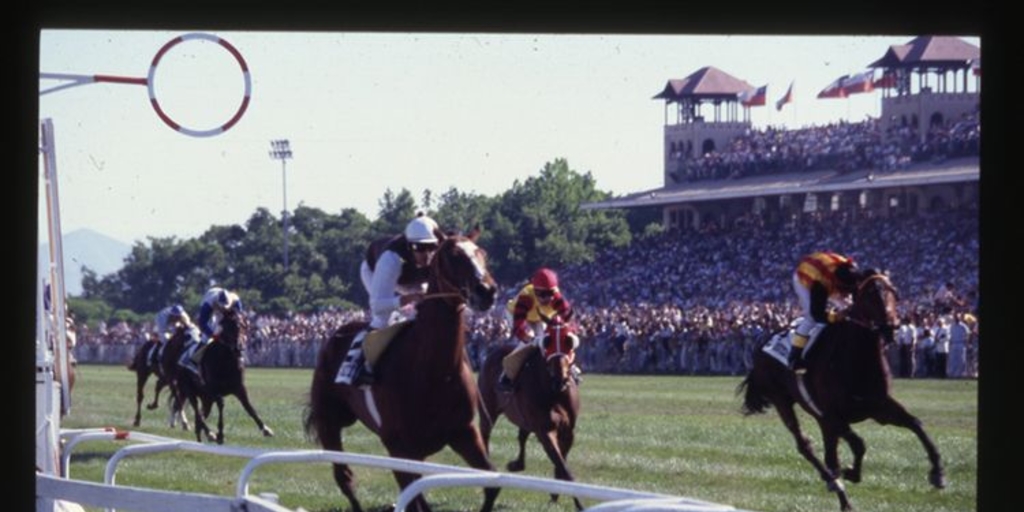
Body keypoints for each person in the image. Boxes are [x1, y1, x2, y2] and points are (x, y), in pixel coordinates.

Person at [335, 213, 442, 386]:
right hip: (375, 272)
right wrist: (405, 299)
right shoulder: (390, 259)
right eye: (419, 248)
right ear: (409, 246)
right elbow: (377, 306)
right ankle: (356, 364)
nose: (427, 255)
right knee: (383, 318)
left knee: (422, 315)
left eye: (431, 247)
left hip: (410, 281)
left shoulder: (440, 254)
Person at [497, 267, 577, 391]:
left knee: (550, 340)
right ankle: (507, 375)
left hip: (538, 317)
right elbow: (519, 327)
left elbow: (568, 317)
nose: (549, 298)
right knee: (528, 343)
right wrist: (530, 338)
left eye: (551, 293)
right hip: (517, 315)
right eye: (544, 295)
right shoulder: (526, 297)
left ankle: (570, 368)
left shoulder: (555, 296)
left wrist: (571, 333)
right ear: (536, 292)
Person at [789, 251, 865, 373]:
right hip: (804, 277)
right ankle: (794, 357)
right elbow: (817, 314)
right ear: (836, 283)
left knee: (849, 307)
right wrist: (836, 317)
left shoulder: (853, 276)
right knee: (810, 318)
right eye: (843, 290)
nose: (845, 294)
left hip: (825, 269)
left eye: (849, 290)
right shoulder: (821, 283)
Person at [179, 286, 244, 374]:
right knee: (207, 336)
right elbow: (202, 323)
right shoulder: (208, 303)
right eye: (222, 306)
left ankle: (239, 355)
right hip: (213, 309)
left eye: (225, 306)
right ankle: (193, 361)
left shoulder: (235, 300)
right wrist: (212, 335)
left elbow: (240, 318)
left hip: (224, 308)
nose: (223, 308)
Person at [148, 304, 197, 369]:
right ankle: (157, 358)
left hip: (171, 321)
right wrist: (172, 334)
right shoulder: (162, 319)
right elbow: (164, 332)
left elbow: (189, 327)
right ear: (172, 315)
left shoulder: (184, 315)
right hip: (163, 325)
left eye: (178, 316)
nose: (177, 318)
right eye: (176, 316)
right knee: (165, 339)